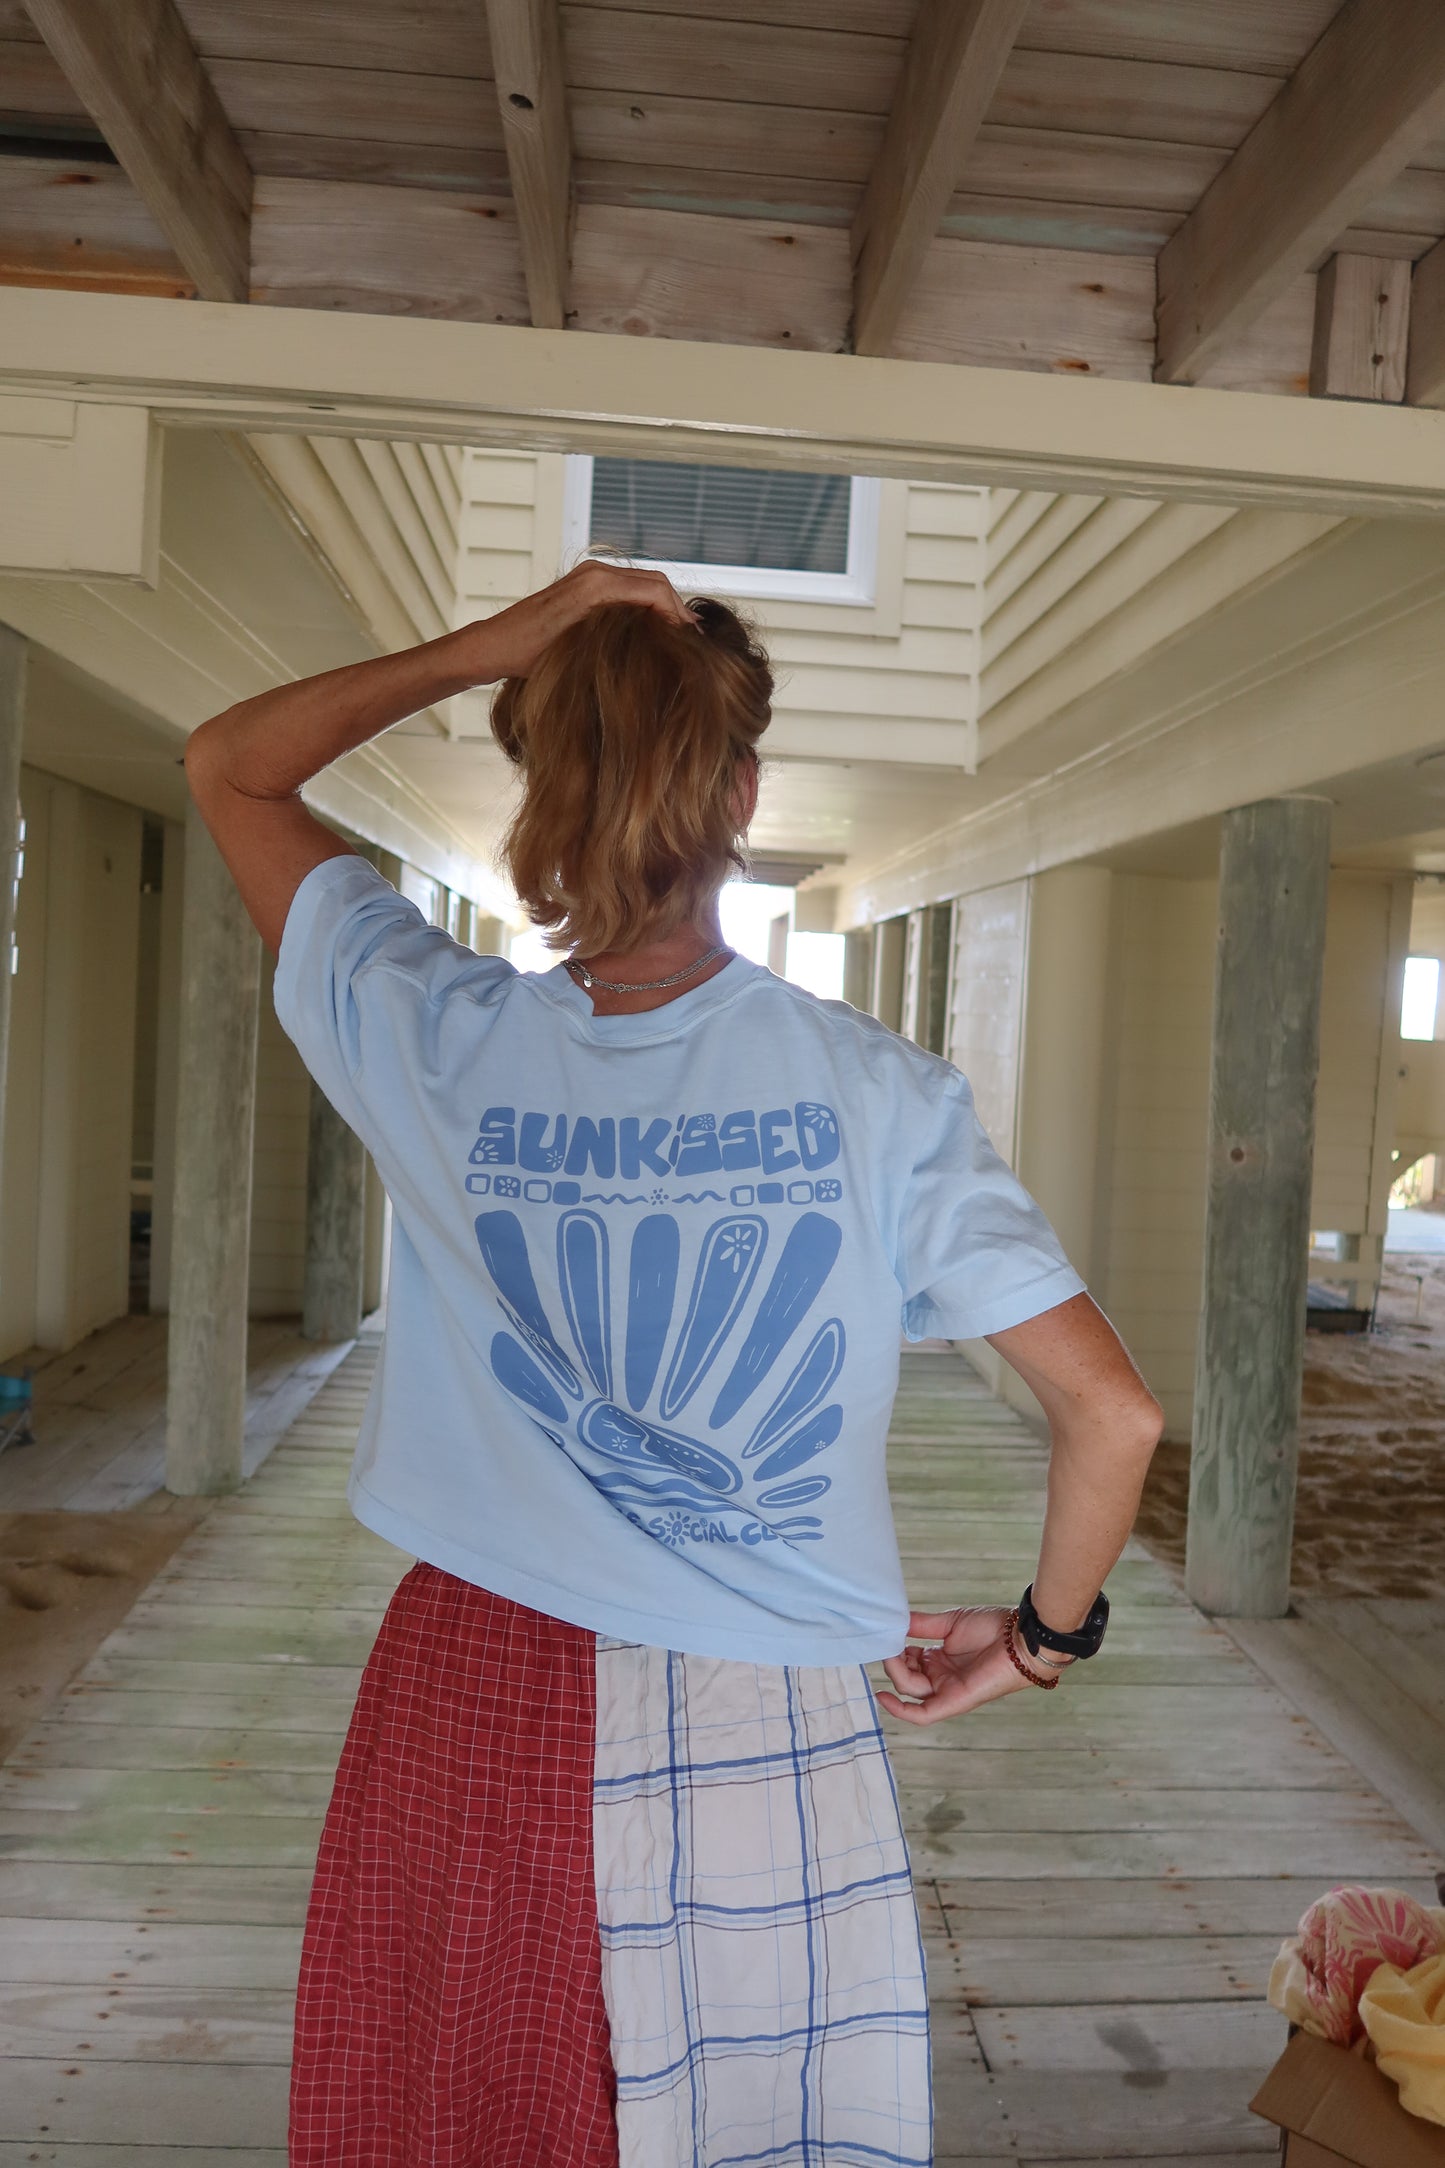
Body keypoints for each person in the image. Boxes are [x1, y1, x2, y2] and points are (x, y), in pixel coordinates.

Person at [185, 558, 1163, 2168]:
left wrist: (491, 645)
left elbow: (231, 762)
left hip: (470, 1679)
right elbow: (1110, 1415)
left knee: (462, 2116)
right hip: (759, 1709)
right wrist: (1045, 1637)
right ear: (745, 791)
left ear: (538, 776)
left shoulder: (424, 1031)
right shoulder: (877, 1092)